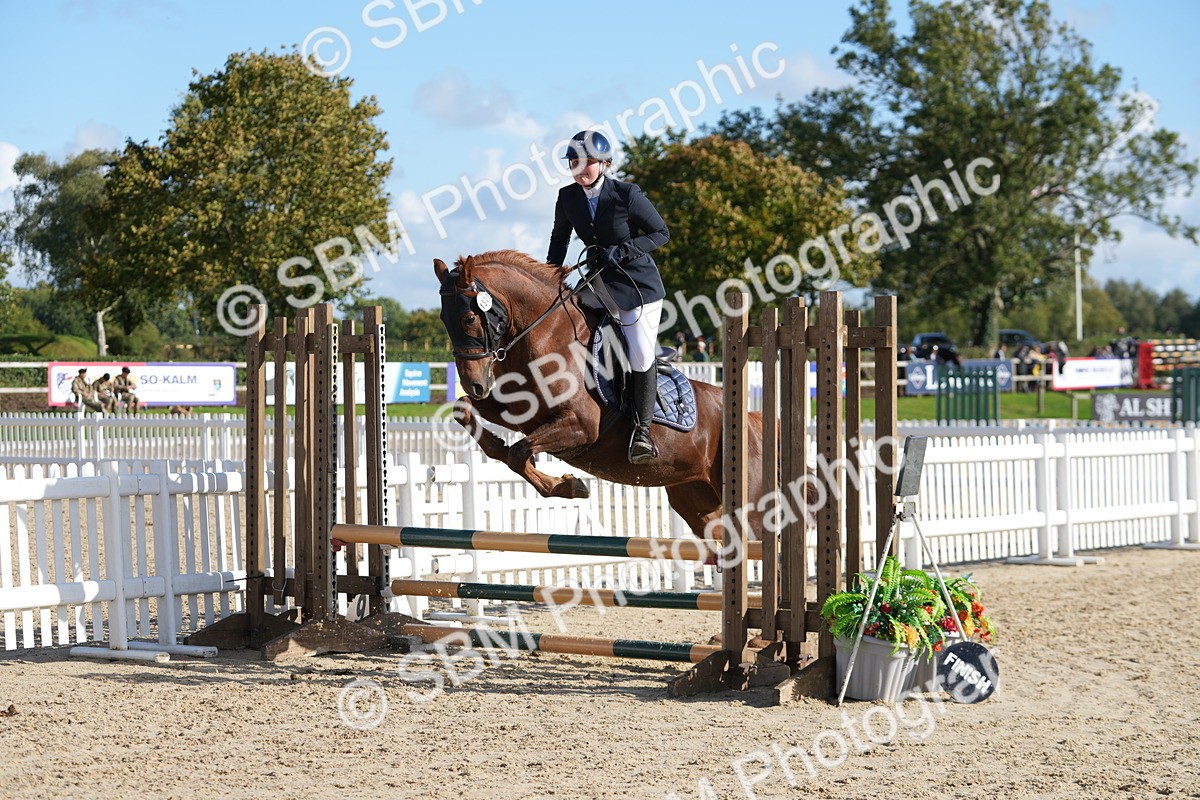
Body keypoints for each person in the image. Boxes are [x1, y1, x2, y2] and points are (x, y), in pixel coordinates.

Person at [546, 129, 670, 464]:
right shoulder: (567, 197)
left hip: (637, 288)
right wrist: (549, 280)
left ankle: (642, 433)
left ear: (603, 163)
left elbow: (661, 233)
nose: (579, 168)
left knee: (641, 354)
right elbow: (559, 241)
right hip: (599, 285)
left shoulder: (626, 194)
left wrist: (625, 249)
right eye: (573, 162)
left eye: (586, 162)